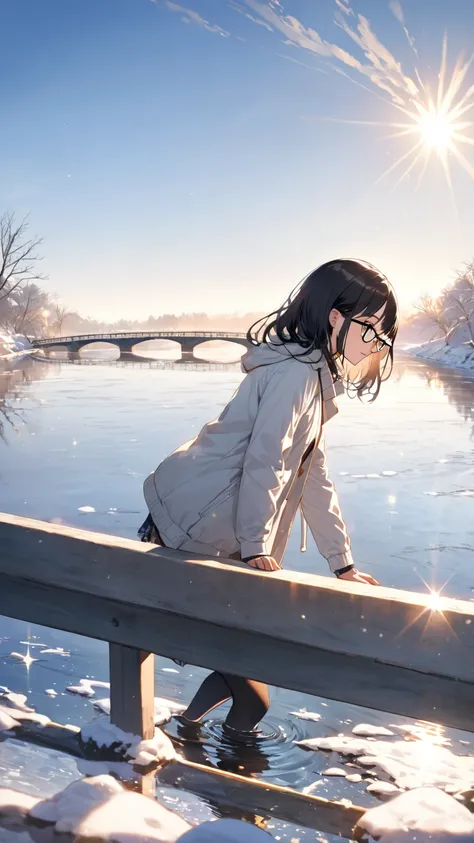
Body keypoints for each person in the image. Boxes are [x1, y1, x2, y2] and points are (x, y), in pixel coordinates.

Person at [139, 258, 399, 732]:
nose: (375, 344)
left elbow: (312, 473)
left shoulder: (310, 375)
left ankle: (186, 731)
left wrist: (341, 563)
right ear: (336, 318)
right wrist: (257, 546)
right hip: (198, 530)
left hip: (208, 524)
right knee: (252, 687)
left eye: (382, 336)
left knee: (242, 661)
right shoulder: (297, 377)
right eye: (371, 329)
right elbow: (268, 459)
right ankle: (224, 778)